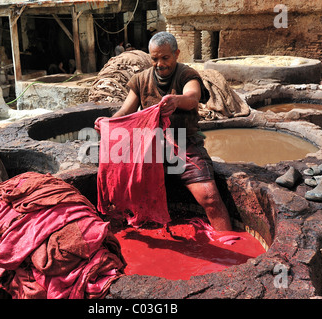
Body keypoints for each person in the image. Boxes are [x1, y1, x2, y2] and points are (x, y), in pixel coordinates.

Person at [95, 32, 232, 231]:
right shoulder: (140, 79)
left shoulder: (187, 74)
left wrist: (177, 101)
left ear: (176, 54)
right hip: (150, 146)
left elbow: (192, 97)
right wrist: (108, 124)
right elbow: (126, 111)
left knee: (210, 197)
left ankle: (228, 245)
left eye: (165, 58)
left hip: (184, 144)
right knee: (121, 189)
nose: (159, 63)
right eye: (154, 58)